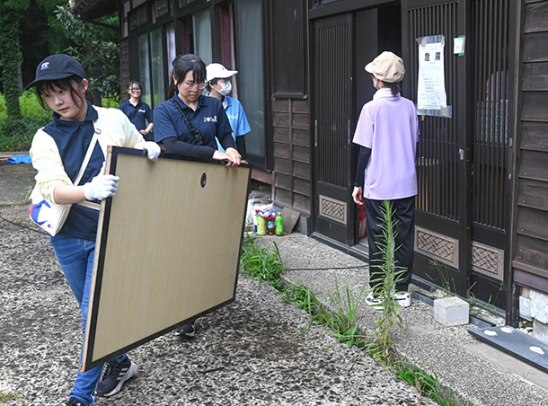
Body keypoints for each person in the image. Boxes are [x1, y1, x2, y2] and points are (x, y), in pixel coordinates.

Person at [27, 54, 161, 406]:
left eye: (63, 91)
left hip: (113, 234)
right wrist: (87, 191)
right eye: (48, 95)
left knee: (93, 316)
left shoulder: (115, 118)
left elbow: (136, 148)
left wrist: (148, 149)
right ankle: (120, 362)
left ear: (83, 86)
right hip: (68, 237)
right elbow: (53, 188)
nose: (56, 101)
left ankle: (79, 397)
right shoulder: (44, 138)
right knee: (91, 313)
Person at [154, 54, 241, 337]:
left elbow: (226, 134)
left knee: (205, 242)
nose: (196, 88)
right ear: (176, 81)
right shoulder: (164, 110)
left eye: (200, 83)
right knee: (179, 247)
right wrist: (212, 153)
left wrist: (230, 149)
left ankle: (202, 297)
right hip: (176, 185)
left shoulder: (214, 105)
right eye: (190, 83)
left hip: (209, 185)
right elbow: (171, 145)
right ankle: (182, 312)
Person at [351, 51, 419, 309]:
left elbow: (364, 150)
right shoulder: (410, 107)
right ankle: (402, 291)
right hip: (405, 182)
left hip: (378, 183)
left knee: (378, 236)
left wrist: (358, 184)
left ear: (377, 79)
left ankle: (378, 292)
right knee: (403, 236)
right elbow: (414, 142)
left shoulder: (371, 109)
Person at [205, 63, 251, 162]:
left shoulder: (235, 104)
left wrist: (243, 159)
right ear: (211, 84)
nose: (227, 83)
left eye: (228, 80)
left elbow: (240, 135)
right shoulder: (201, 105)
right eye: (223, 80)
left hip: (232, 161)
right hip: (209, 160)